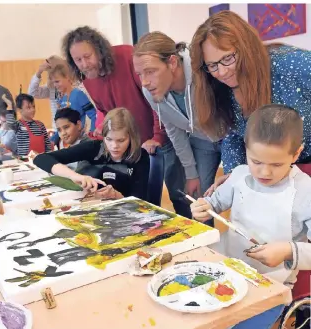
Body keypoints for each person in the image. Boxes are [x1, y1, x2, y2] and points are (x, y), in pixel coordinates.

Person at [191, 104, 311, 329]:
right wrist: (203, 207)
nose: (264, 173)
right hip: (225, 267)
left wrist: (287, 250)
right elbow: (214, 203)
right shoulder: (239, 175)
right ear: (246, 149)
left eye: (276, 164)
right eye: (256, 161)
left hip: (269, 283)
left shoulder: (305, 192)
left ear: (296, 153)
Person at [62, 25, 191, 217]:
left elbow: (156, 97)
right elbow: (104, 109)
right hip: (130, 147)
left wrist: (157, 135)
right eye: (77, 60)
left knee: (178, 193)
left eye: (87, 56)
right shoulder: (87, 79)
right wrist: (103, 127)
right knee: (143, 198)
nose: (84, 64)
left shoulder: (126, 56)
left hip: (158, 139)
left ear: (99, 50)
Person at [190, 10, 311, 195]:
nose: (222, 72)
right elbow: (234, 134)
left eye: (228, 58)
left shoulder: (291, 65)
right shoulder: (220, 87)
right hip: (277, 177)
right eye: (212, 65)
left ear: (247, 48)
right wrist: (234, 172)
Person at [133, 31, 222, 224]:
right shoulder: (151, 93)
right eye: (140, 74)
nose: (144, 82)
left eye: (150, 71)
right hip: (202, 142)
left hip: (232, 138)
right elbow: (174, 131)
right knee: (200, 201)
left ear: (172, 63)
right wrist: (191, 174)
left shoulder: (203, 71)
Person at [34, 108, 150, 200]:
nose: (114, 146)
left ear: (131, 138)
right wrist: (75, 176)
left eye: (121, 140)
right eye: (109, 139)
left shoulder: (139, 156)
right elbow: (41, 158)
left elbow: (139, 200)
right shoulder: (94, 148)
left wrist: (116, 195)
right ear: (103, 136)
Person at [48, 63, 96, 132]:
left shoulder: (78, 94)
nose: (55, 85)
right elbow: (61, 125)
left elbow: (93, 115)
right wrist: (54, 139)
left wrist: (92, 132)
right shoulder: (61, 99)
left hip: (80, 138)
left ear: (67, 78)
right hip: (67, 139)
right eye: (53, 83)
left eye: (57, 81)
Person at [28, 55, 65, 130]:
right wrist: (39, 72)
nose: (50, 76)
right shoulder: (51, 89)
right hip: (57, 130)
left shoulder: (72, 87)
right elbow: (32, 93)